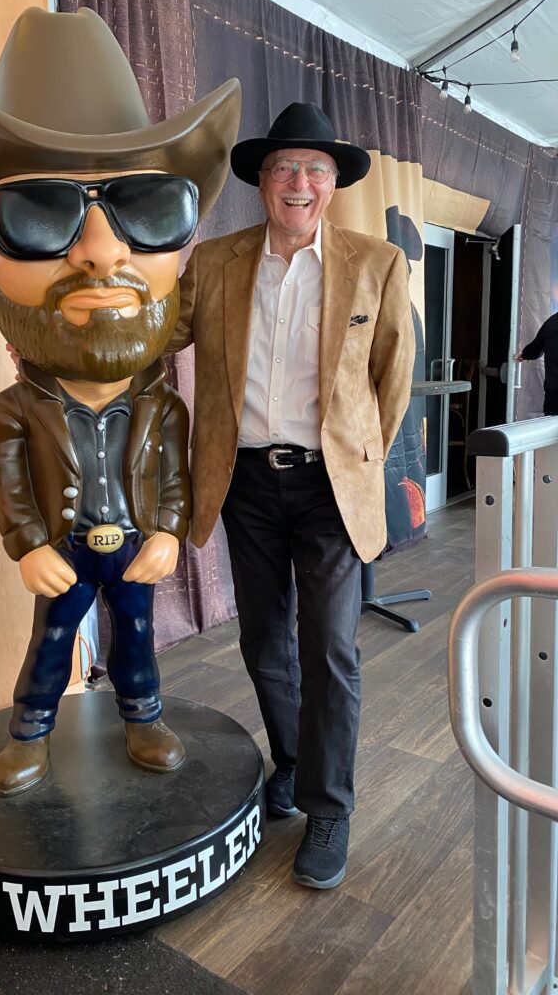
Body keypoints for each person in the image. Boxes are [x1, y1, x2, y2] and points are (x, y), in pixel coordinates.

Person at [0, 7, 240, 797]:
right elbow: (11, 485)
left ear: (178, 247)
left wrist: (171, 532)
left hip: (134, 544)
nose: (102, 251)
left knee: (139, 638)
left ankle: (143, 716)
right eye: (40, 212)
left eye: (146, 207)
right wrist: (27, 545)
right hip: (67, 545)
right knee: (52, 641)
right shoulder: (15, 409)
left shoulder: (162, 406)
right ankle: (31, 731)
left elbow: (175, 476)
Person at [168, 102, 413, 888]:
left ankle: (330, 807)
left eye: (313, 169)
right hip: (242, 482)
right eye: (282, 168)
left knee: (331, 648)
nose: (298, 182)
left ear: (333, 183)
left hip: (329, 486)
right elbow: (160, 340)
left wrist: (355, 454)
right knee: (263, 641)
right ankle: (295, 761)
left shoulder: (377, 264)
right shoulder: (214, 263)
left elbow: (392, 379)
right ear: (262, 183)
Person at [516, 311, 558, 415]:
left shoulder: (552, 323)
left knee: (551, 429)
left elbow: (535, 349)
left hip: (554, 396)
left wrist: (523, 354)